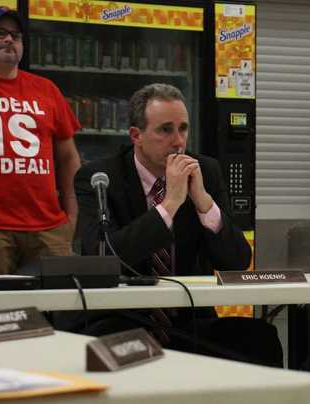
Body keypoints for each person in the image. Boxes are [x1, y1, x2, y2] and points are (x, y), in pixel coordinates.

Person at [69, 83, 282, 367]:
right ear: (136, 135)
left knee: (259, 339)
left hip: (189, 319)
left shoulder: (205, 170)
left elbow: (237, 260)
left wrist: (204, 202)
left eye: (183, 128)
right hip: (122, 319)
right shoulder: (99, 177)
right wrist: (168, 205)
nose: (178, 141)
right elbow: (101, 257)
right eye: (165, 130)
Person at [0, 6, 81, 275]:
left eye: (16, 36)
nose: (9, 40)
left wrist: (73, 218)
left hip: (49, 230)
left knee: (57, 314)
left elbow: (68, 157)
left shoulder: (46, 90)